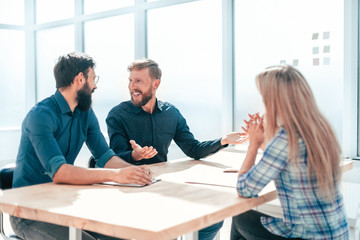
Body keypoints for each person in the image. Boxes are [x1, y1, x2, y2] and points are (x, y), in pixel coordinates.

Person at [11, 52, 152, 240]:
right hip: (29, 213)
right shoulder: (40, 116)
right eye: (93, 78)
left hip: (65, 204)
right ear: (80, 79)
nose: (95, 85)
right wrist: (118, 175)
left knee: (126, 232)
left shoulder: (84, 113)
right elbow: (60, 172)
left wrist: (137, 171)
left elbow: (105, 156)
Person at [105, 59, 246, 240]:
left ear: (156, 84)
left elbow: (193, 149)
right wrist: (134, 155)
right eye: (130, 80)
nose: (132, 86)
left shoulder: (171, 113)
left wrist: (223, 140)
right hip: (132, 188)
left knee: (214, 221)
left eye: (138, 81)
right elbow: (113, 157)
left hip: (162, 184)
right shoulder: (117, 115)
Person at [231, 65, 349, 240]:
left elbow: (244, 189)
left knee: (241, 218)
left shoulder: (286, 139)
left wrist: (254, 144)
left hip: (307, 236)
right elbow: (288, 161)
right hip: (335, 233)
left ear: (275, 101)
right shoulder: (319, 129)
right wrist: (264, 142)